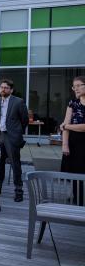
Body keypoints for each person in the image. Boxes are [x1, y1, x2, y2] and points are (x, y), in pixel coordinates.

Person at [0, 79, 28, 202]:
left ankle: (18, 191)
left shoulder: (18, 102)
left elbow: (24, 120)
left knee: (15, 164)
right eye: (1, 87)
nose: (3, 89)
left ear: (11, 90)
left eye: (6, 88)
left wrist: (16, 132)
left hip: (12, 137)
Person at [60, 76, 85, 205]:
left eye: (78, 85)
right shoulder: (72, 103)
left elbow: (66, 125)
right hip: (74, 143)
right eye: (74, 86)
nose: (75, 88)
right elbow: (65, 124)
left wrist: (66, 126)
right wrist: (65, 145)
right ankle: (78, 198)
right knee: (75, 172)